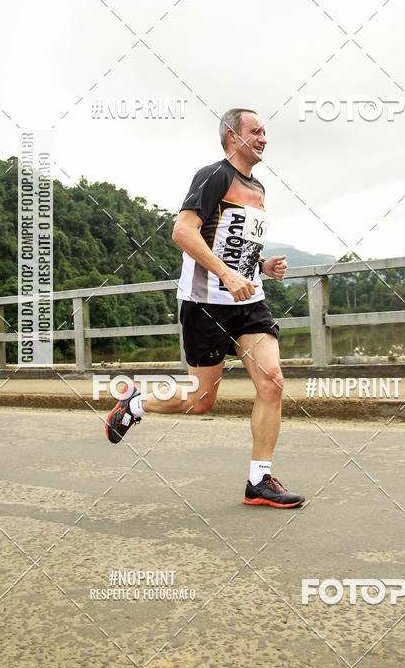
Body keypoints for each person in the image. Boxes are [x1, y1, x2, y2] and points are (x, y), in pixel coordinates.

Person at [105, 108, 304, 508]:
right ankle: (135, 403)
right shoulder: (214, 175)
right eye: (256, 131)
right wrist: (226, 275)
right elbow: (183, 231)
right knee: (200, 402)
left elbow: (237, 247)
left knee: (273, 382)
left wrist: (261, 267)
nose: (264, 138)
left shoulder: (260, 189)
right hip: (205, 304)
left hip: (249, 303)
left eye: (266, 132)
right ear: (233, 136)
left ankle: (259, 481)